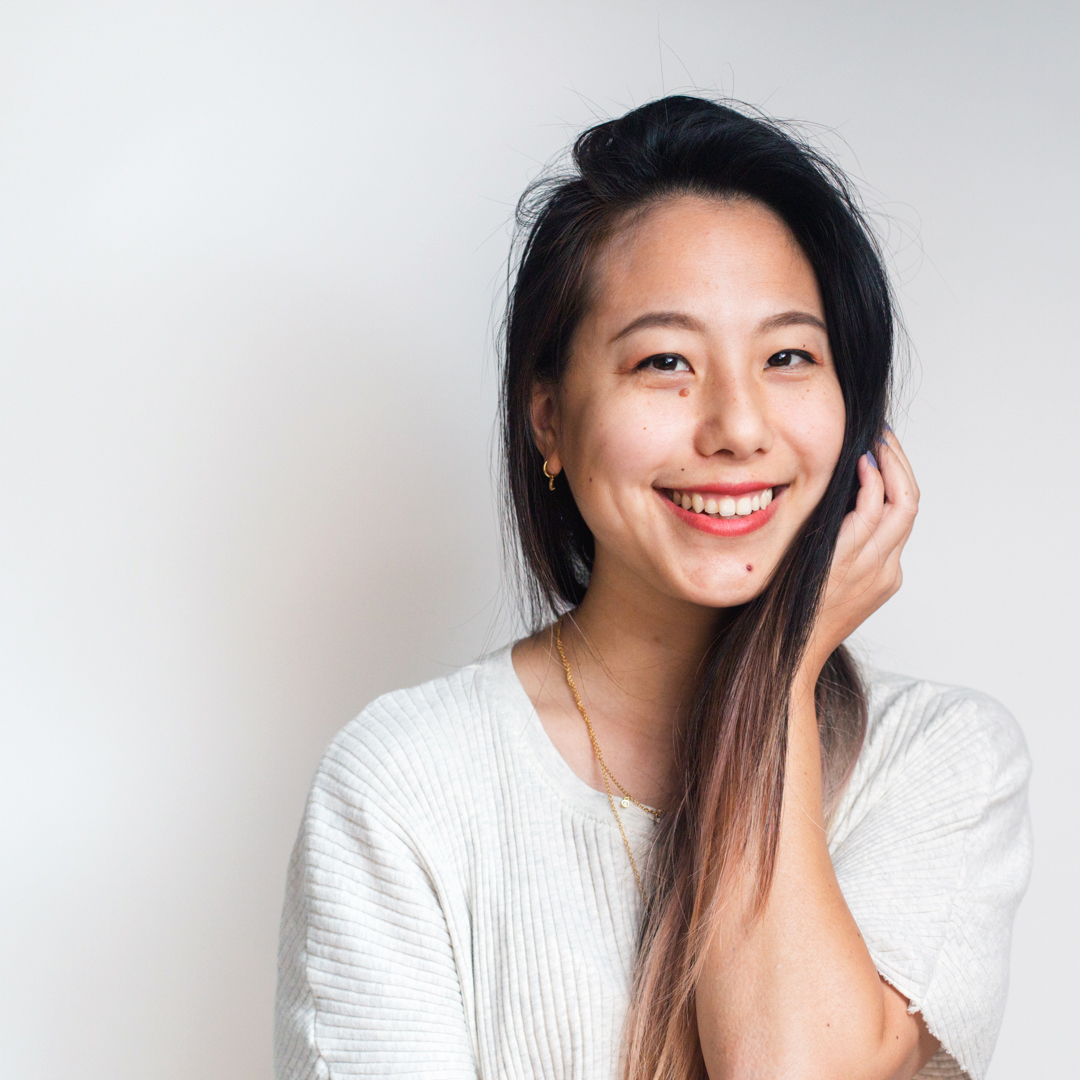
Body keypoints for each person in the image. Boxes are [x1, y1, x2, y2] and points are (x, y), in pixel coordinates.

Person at [274, 96, 1031, 1080]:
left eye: (788, 357)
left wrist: (781, 676)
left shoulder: (939, 760)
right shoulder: (405, 783)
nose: (738, 428)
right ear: (548, 419)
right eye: (666, 361)